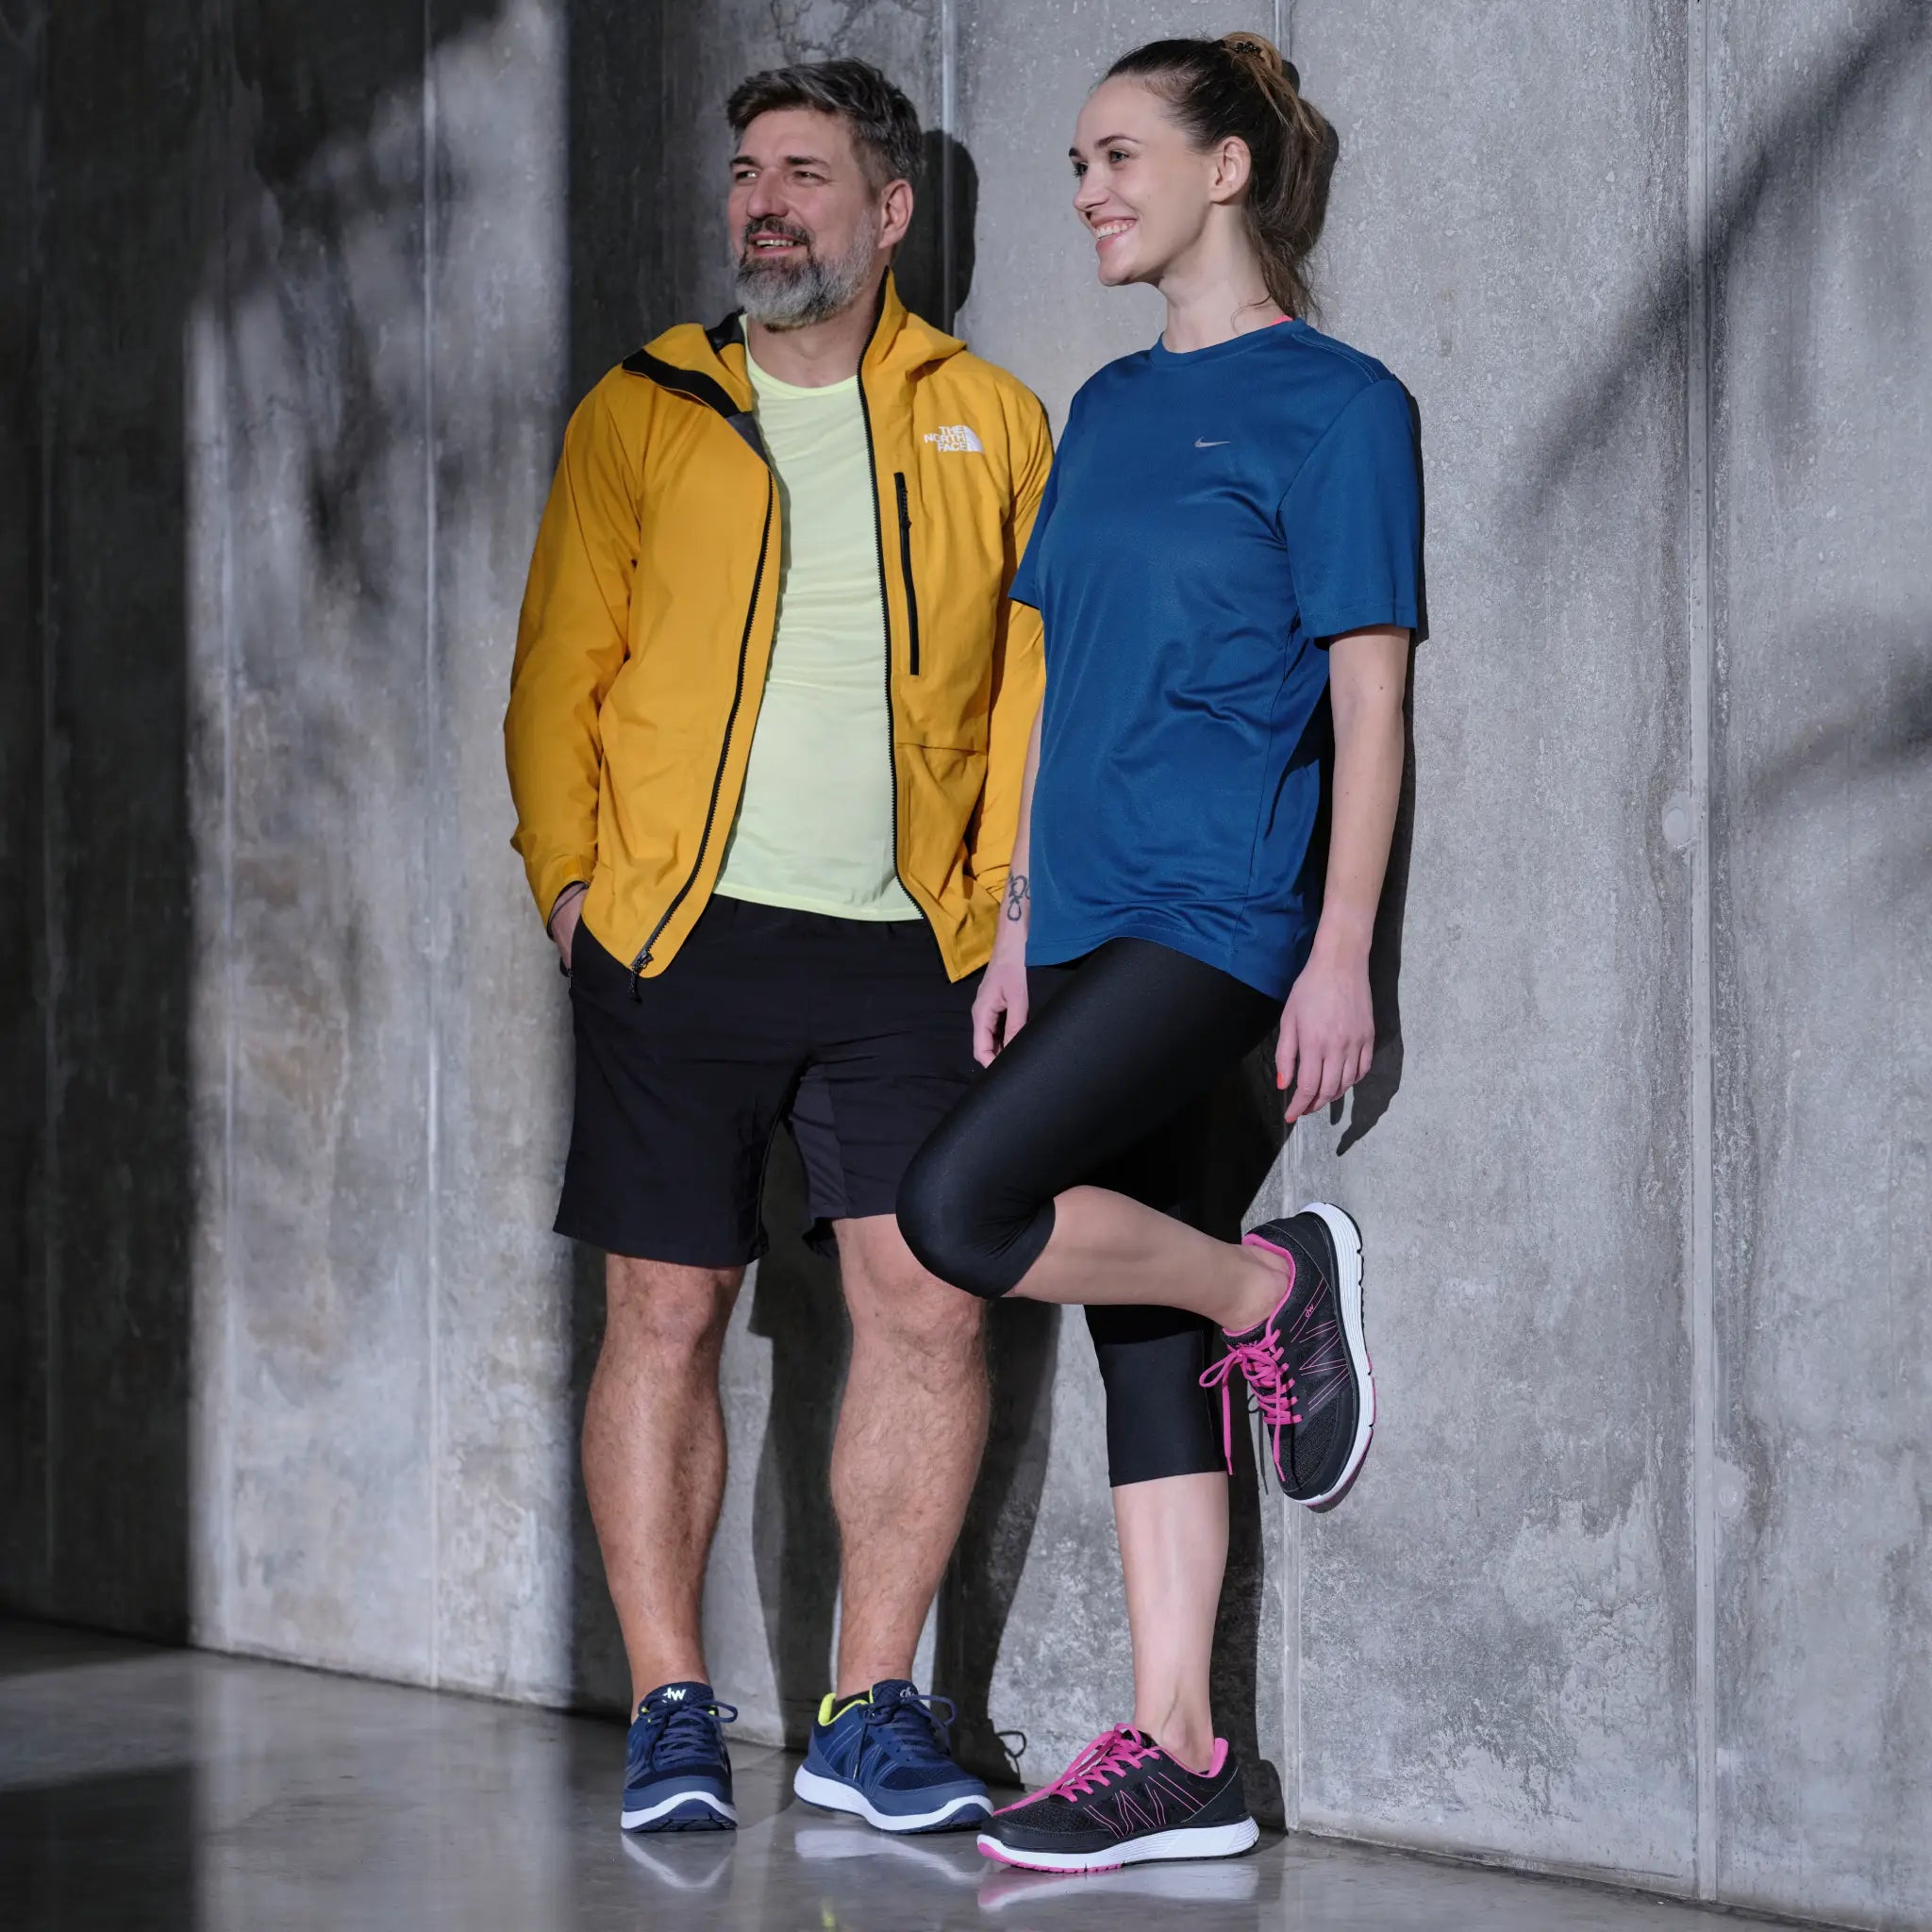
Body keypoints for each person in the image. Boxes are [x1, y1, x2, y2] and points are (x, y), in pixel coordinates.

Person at [504, 58, 1052, 1837]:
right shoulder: (647, 407)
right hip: (678, 936)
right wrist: (577, 899)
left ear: (886, 214)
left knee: (928, 1302)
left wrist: (1006, 914)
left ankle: (868, 1708)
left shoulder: (992, 420)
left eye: (806, 176)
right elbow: (554, 677)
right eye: (749, 171)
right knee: (664, 1309)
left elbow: (1037, 697)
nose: (766, 204)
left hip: (908, 946)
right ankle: (672, 1705)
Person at [896, 32, 1424, 1874]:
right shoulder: (1106, 413)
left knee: (958, 1205)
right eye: (1072, 162)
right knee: (1138, 1319)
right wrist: (1020, 918)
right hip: (1093, 916)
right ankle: (1185, 1750)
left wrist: (1342, 945)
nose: (1086, 191)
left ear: (1223, 170)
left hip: (1222, 921)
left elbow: (1369, 704)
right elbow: (1050, 685)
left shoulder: (1341, 409)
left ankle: (1274, 1288)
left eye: (1118, 154)